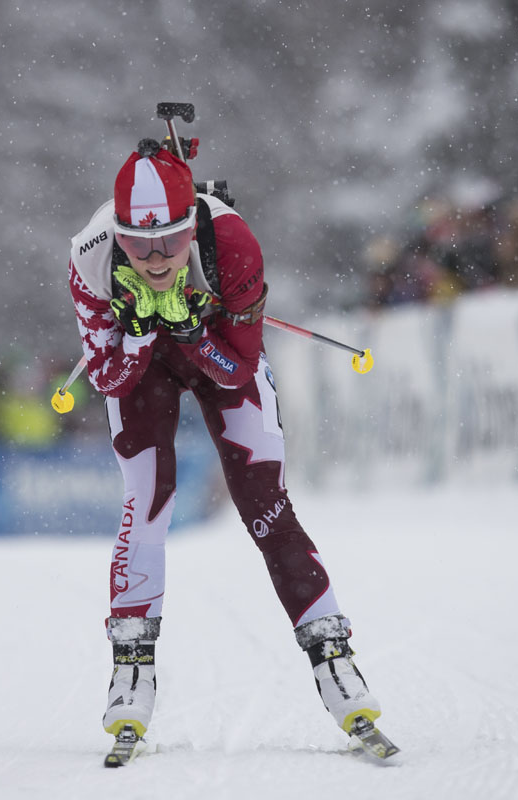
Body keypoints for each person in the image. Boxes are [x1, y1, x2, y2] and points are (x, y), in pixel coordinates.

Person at [66, 138, 385, 748]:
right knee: (147, 501)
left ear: (193, 225)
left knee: (265, 504)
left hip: (213, 350)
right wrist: (137, 335)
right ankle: (131, 667)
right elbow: (108, 377)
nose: (155, 258)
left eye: (170, 241)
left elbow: (236, 368)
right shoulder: (90, 258)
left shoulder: (232, 245)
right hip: (144, 369)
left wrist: (188, 330)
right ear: (118, 233)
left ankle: (334, 656)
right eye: (137, 242)